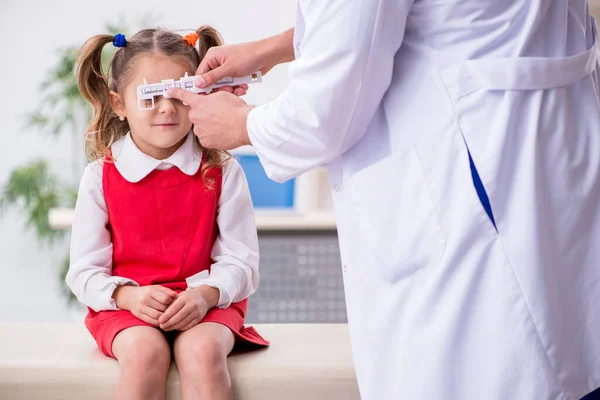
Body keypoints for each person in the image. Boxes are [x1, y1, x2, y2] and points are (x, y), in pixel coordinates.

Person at [167, 1, 600, 399]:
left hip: (482, 187)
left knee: (505, 359)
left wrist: (244, 126)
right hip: (549, 152)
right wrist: (274, 48)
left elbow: (326, 112)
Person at [66, 26, 269, 400]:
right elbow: (83, 272)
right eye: (151, 96)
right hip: (128, 308)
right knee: (144, 352)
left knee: (201, 351)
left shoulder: (222, 170)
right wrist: (129, 298)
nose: (166, 107)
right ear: (118, 105)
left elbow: (242, 263)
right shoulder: (99, 177)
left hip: (207, 305)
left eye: (180, 93)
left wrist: (206, 294)